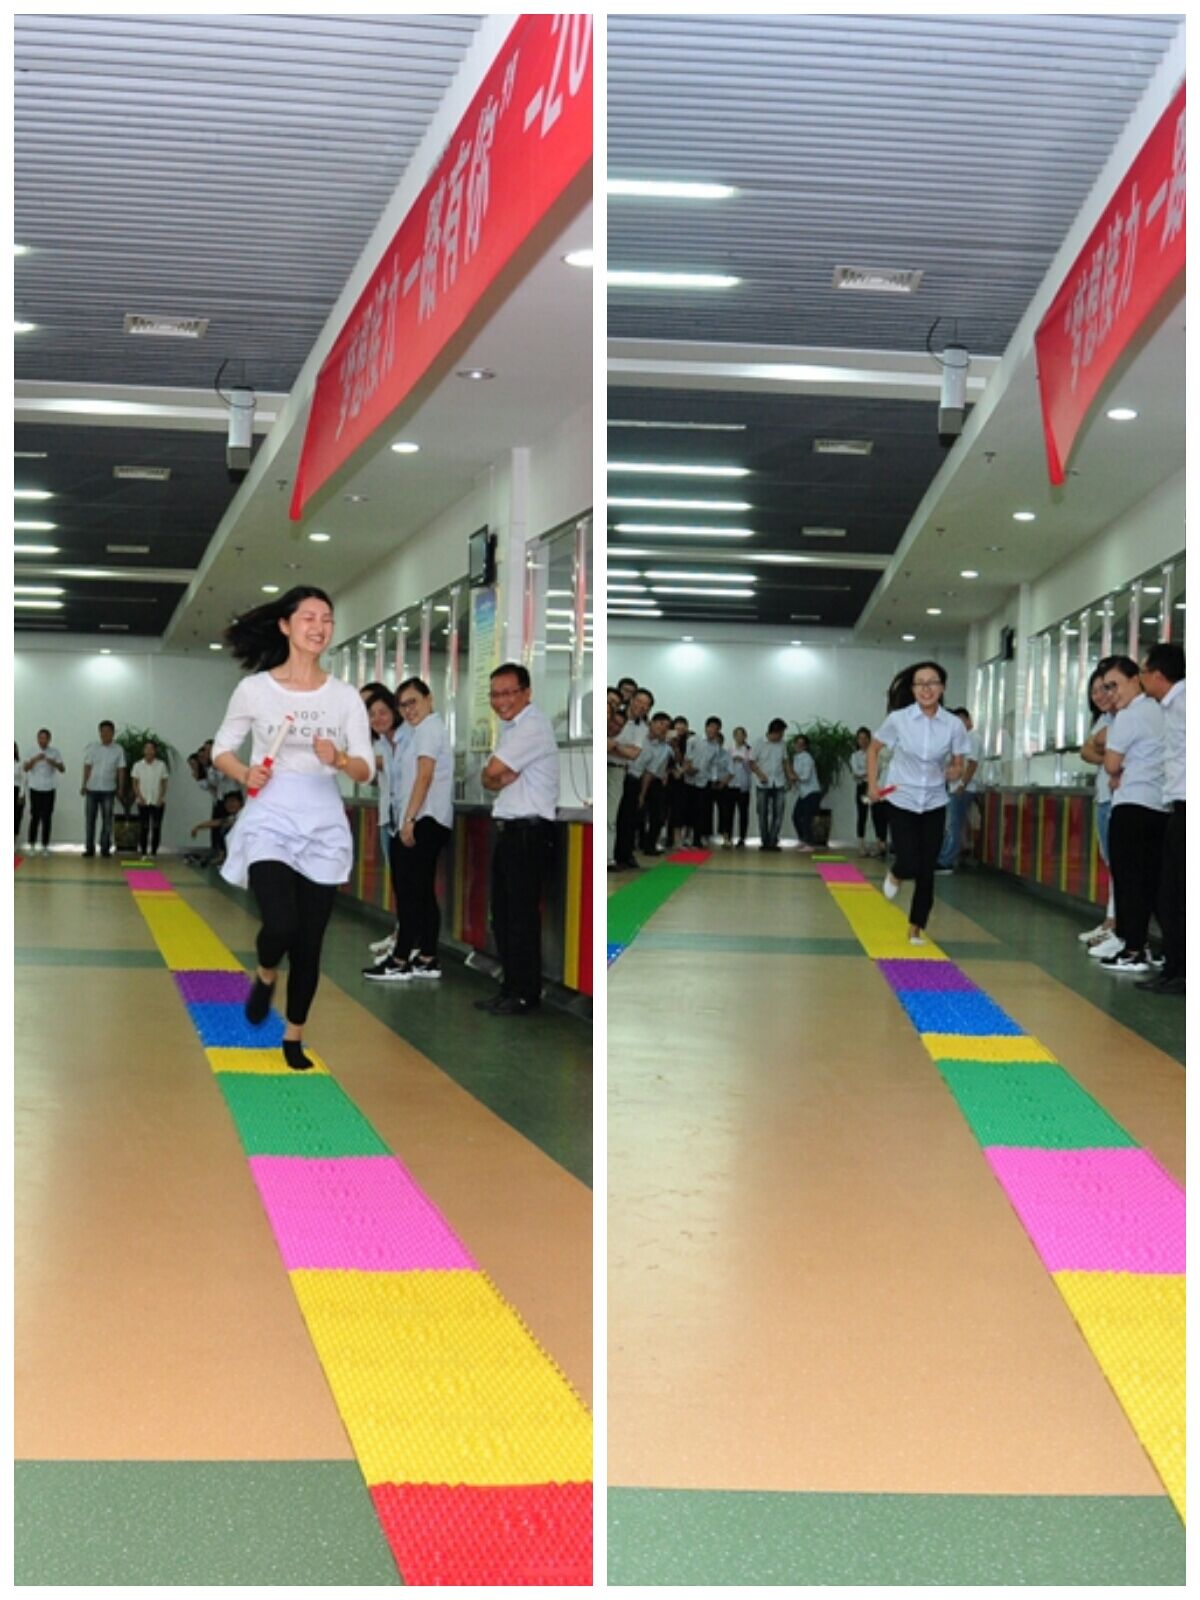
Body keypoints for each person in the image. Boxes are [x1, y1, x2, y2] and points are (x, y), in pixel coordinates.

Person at [212, 586, 373, 1070]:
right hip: (271, 815)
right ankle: (265, 971)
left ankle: (294, 1035)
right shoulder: (255, 689)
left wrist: (339, 759)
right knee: (281, 923)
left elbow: (365, 768)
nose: (319, 627)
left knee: (309, 941)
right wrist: (245, 774)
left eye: (327, 619)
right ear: (285, 625)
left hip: (323, 820)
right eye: (309, 617)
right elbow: (222, 749)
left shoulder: (344, 696)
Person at [475, 662, 559, 1017]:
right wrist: (495, 775)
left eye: (509, 693)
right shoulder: (512, 729)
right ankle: (510, 987)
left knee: (521, 918)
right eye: (495, 694)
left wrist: (495, 774)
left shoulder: (533, 726)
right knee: (504, 917)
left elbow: (493, 771)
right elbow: (488, 779)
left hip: (529, 833)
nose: (501, 701)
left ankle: (525, 993)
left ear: (526, 693)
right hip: (510, 832)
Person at [867, 661, 968, 943]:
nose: (926, 688)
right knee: (908, 860)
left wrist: (955, 771)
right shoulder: (898, 719)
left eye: (932, 682)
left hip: (934, 801)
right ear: (912, 689)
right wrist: (873, 785)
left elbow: (959, 762)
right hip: (902, 799)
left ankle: (916, 926)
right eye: (920, 683)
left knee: (927, 867)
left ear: (942, 687)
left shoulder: (953, 725)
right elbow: (873, 750)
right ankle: (897, 873)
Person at [364, 677, 454, 981]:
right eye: (404, 705)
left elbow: (424, 776)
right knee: (421, 891)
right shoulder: (421, 731)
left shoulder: (427, 729)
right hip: (425, 819)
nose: (409, 710)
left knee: (409, 893)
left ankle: (400, 959)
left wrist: (409, 820)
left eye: (413, 702)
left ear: (429, 698)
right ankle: (427, 956)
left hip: (423, 820)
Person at [1096, 655, 1168, 976]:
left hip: (1131, 806)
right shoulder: (1162, 710)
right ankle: (1163, 949)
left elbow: (1111, 764)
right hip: (1160, 807)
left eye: (1115, 685)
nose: (1111, 693)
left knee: (1129, 881)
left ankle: (1134, 949)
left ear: (1136, 679)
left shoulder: (1127, 717)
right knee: (1154, 883)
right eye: (1106, 688)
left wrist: (1117, 769)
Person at [1136, 642, 1185, 994]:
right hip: (1177, 807)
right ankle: (1174, 967)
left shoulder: (1186, 703)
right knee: (1170, 893)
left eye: (1142, 671)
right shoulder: (1172, 705)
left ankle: (1180, 971)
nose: (1141, 678)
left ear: (1157, 675)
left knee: (1176, 895)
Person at [360, 686, 411, 961]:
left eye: (380, 711)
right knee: (399, 883)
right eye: (369, 712)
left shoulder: (405, 737)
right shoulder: (379, 740)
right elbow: (373, 777)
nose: (374, 717)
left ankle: (408, 941)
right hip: (387, 818)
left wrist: (350, 760)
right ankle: (400, 935)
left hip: (406, 819)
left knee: (409, 885)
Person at [1078, 664, 1120, 956]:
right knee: (1111, 862)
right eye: (1094, 691)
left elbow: (1099, 749)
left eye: (1105, 688)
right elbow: (1087, 750)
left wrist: (1105, 752)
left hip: (1122, 800)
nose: (1100, 695)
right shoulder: (1104, 719)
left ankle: (1117, 925)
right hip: (1104, 797)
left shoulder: (1128, 716)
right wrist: (1108, 756)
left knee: (1121, 865)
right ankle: (1110, 920)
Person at [935, 708, 981, 873]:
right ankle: (944, 858)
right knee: (953, 824)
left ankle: (946, 861)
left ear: (969, 721)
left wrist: (962, 785)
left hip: (964, 789)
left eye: (961, 721)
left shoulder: (972, 737)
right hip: (955, 788)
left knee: (954, 825)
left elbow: (973, 764)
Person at [613, 687, 653, 867]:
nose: (641, 706)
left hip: (626, 772)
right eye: (639, 701)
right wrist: (621, 749)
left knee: (626, 817)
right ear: (631, 700)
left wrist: (613, 746)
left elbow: (633, 754)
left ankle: (623, 855)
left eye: (646, 705)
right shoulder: (613, 718)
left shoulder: (642, 728)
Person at [81, 719, 128, 858]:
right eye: (103, 731)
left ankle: (105, 848)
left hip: (109, 789)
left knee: (107, 821)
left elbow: (121, 770)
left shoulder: (118, 749)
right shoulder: (93, 748)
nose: (105, 734)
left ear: (113, 733)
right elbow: (87, 767)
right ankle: (89, 848)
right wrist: (84, 784)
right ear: (99, 733)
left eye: (108, 731)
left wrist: (121, 788)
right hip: (92, 788)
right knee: (90, 820)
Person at [629, 710, 673, 855]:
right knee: (634, 814)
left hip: (653, 780)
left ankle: (650, 846)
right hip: (632, 776)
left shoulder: (665, 748)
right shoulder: (639, 737)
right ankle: (633, 845)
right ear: (651, 723)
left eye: (667, 726)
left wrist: (642, 794)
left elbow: (650, 772)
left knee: (658, 815)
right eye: (660, 723)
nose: (663, 728)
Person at [607, 688, 641, 870]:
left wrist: (614, 746)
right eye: (609, 701)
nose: (615, 727)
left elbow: (632, 754)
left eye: (615, 703)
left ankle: (608, 858)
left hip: (617, 771)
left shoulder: (637, 727)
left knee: (610, 817)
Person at [751, 718, 791, 850]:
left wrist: (789, 777)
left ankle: (773, 841)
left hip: (779, 782)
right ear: (774, 732)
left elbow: (785, 761)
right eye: (781, 733)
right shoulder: (758, 743)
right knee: (762, 814)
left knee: (778, 813)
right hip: (762, 784)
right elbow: (751, 762)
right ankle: (765, 841)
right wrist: (760, 774)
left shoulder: (782, 744)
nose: (782, 736)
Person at [24, 728, 64, 855]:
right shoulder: (31, 751)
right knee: (35, 816)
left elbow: (62, 769)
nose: (42, 740)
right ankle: (31, 845)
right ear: (37, 739)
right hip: (35, 788)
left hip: (49, 788)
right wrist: (34, 759)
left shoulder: (55, 752)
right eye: (40, 738)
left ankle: (45, 846)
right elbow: (25, 768)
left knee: (47, 817)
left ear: (49, 739)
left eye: (45, 738)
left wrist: (53, 763)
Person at [686, 716, 723, 846]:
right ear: (706, 727)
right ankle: (687, 837)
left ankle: (697, 838)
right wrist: (689, 768)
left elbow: (714, 764)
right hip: (690, 780)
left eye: (716, 728)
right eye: (711, 727)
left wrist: (714, 779)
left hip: (704, 781)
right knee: (689, 810)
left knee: (701, 811)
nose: (713, 730)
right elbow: (687, 757)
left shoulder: (716, 746)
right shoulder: (693, 740)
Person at [131, 738, 169, 857]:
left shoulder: (161, 765)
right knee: (144, 827)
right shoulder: (137, 765)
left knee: (156, 827)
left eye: (151, 749)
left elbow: (164, 783)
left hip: (157, 801)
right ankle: (143, 852)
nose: (149, 751)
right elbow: (135, 783)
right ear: (143, 750)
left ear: (155, 751)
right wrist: (139, 797)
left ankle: (153, 851)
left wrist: (161, 798)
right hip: (142, 801)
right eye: (146, 748)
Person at [187, 790, 245, 865]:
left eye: (233, 801)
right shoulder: (233, 817)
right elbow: (217, 822)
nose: (229, 804)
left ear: (241, 803)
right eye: (227, 802)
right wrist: (198, 827)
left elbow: (223, 822)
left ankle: (223, 857)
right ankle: (222, 857)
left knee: (226, 829)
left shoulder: (243, 815)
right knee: (224, 827)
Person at [789, 733, 821, 852]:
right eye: (797, 743)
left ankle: (809, 843)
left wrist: (794, 777)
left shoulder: (807, 758)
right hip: (803, 793)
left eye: (801, 744)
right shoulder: (796, 757)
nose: (798, 746)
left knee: (807, 819)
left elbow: (805, 776)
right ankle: (803, 839)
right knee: (796, 816)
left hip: (812, 792)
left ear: (806, 746)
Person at [727, 726, 753, 847]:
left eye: (741, 735)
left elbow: (751, 768)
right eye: (737, 735)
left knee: (743, 813)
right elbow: (726, 766)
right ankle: (728, 837)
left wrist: (743, 761)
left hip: (744, 785)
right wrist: (732, 760)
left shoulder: (749, 750)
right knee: (729, 812)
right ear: (734, 736)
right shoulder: (730, 749)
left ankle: (742, 837)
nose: (739, 737)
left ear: (745, 736)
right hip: (731, 784)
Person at [15, 744, 25, 839]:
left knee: (16, 817)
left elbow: (23, 780)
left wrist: (21, 795)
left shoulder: (19, 764)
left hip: (16, 791)